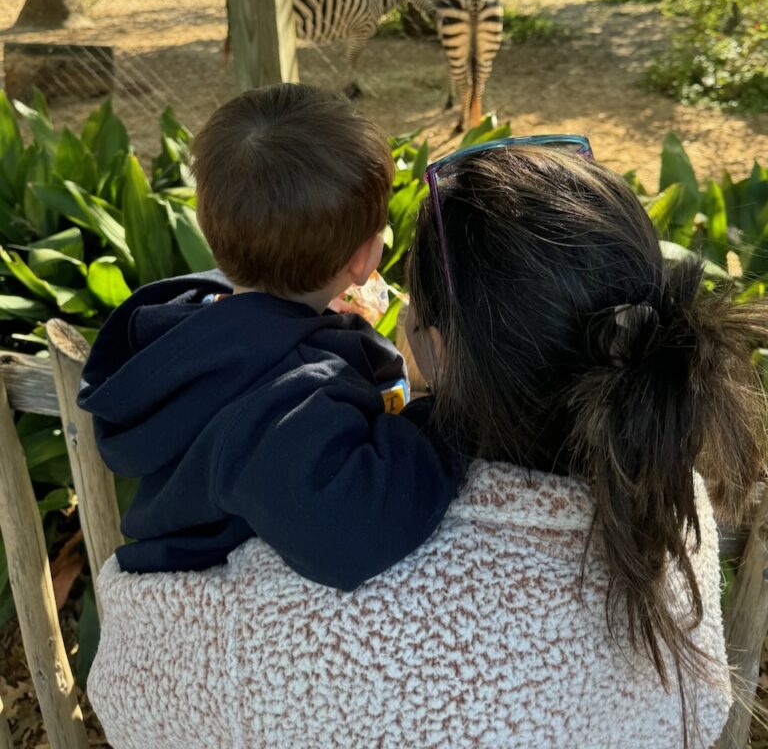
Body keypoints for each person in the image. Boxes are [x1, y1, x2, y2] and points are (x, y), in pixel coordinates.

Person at [88, 137, 766, 749]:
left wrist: (424, 414)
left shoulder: (297, 600)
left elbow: (129, 698)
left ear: (437, 354)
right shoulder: (669, 506)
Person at [78, 83, 461, 589]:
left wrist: (323, 328)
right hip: (212, 632)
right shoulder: (281, 404)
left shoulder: (191, 335)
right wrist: (450, 410)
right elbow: (351, 534)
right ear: (366, 259)